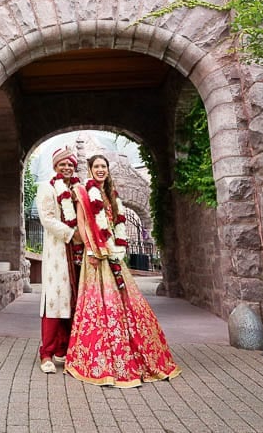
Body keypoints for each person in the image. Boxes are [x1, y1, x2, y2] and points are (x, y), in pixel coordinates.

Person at [64, 154, 181, 387]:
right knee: (99, 305)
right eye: (96, 166)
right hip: (96, 256)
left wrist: (116, 246)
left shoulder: (111, 195)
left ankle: (133, 354)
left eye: (103, 167)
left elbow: (116, 223)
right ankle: (101, 361)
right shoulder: (84, 193)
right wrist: (91, 249)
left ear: (108, 170)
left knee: (128, 302)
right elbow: (82, 224)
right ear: (89, 169)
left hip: (114, 255)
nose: (100, 170)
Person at [35, 146, 85, 374]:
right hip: (58, 252)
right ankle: (46, 352)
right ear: (55, 166)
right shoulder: (47, 187)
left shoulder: (79, 189)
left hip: (79, 254)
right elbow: (47, 218)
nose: (66, 167)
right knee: (54, 302)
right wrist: (70, 233)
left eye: (70, 164)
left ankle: (64, 350)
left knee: (73, 302)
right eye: (62, 164)